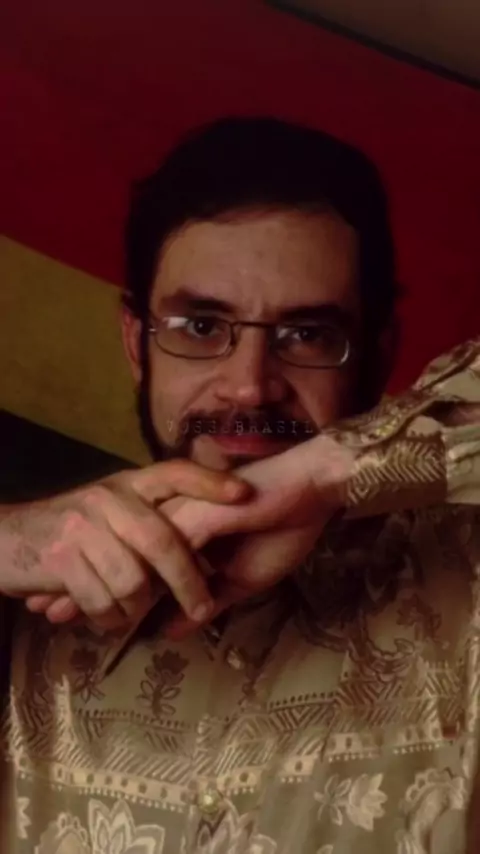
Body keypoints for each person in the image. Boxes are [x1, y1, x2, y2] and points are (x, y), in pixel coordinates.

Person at [1, 117, 479, 853]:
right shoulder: (27, 610)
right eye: (200, 326)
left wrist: (329, 470)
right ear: (136, 343)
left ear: (380, 353)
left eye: (307, 336)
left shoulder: (462, 579)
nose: (251, 386)